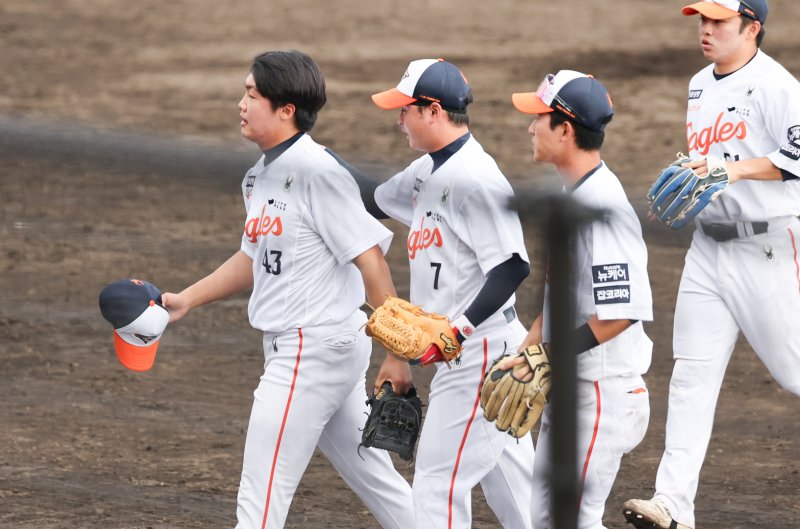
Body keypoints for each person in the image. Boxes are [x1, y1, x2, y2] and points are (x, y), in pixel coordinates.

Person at [160, 50, 417, 529]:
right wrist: (187, 299)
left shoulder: (319, 174)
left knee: (258, 507)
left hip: (310, 352)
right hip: (320, 349)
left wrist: (397, 350)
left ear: (286, 110)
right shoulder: (258, 177)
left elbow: (371, 259)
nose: (240, 103)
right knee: (382, 487)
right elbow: (252, 257)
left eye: (252, 94)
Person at [623, 1, 800, 528]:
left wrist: (730, 170)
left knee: (794, 373)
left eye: (720, 21)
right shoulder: (700, 83)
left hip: (765, 249)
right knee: (691, 377)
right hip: (707, 251)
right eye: (703, 19)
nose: (706, 29)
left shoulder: (776, 85)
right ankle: (673, 504)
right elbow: (710, 162)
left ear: (752, 28)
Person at [368, 58, 535, 529]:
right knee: (523, 500)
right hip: (470, 354)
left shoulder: (476, 178)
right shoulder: (427, 169)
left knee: (438, 483)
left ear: (434, 111)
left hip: (478, 353)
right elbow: (372, 199)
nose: (399, 119)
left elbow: (512, 267)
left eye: (406, 110)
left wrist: (455, 332)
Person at [504, 70, 653, 529]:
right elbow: (559, 294)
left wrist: (550, 354)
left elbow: (622, 312)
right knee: (548, 516)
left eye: (539, 118)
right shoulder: (573, 197)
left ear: (565, 129)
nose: (530, 127)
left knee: (568, 520)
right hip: (579, 390)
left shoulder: (602, 208)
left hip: (602, 395)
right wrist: (530, 347)